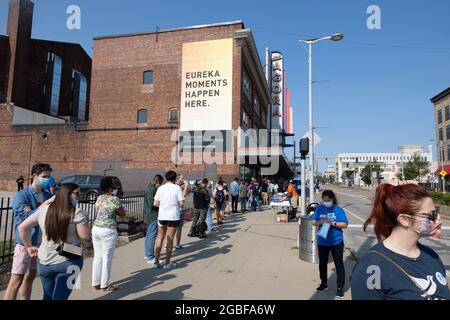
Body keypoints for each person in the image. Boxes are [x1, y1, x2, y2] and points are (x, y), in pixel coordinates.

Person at [351, 184, 450, 300]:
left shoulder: (431, 256)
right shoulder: (371, 266)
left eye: (437, 212)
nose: (438, 219)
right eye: (431, 215)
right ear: (404, 220)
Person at [17, 183, 91, 300]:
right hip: (70, 261)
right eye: (77, 193)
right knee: (61, 297)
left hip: (44, 263)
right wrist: (84, 221)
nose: (79, 196)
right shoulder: (76, 212)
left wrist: (29, 247)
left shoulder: (44, 210)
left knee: (47, 296)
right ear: (67, 195)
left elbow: (22, 228)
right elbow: (86, 236)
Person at [4, 163, 53, 300]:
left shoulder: (48, 195)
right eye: (44, 176)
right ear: (34, 176)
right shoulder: (22, 195)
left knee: (30, 276)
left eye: (49, 177)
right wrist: (43, 207)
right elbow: (23, 218)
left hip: (40, 242)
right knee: (16, 279)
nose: (47, 180)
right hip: (25, 243)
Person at [312, 190, 349, 299]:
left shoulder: (338, 210)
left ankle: (340, 288)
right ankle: (323, 283)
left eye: (328, 200)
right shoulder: (319, 208)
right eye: (324, 200)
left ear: (332, 199)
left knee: (339, 264)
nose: (326, 202)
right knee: (322, 263)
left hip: (336, 241)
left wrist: (333, 223)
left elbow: (345, 224)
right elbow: (313, 222)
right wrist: (321, 222)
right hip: (323, 241)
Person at [91, 176, 126, 292]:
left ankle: (95, 283)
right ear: (111, 188)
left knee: (97, 257)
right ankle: (105, 285)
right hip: (108, 230)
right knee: (107, 258)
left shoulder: (99, 198)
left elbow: (97, 212)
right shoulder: (114, 199)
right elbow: (122, 214)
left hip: (96, 228)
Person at [152, 170, 185, 269]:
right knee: (170, 239)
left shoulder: (160, 188)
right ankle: (167, 263)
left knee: (160, 237)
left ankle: (156, 262)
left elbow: (155, 203)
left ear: (166, 178)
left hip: (162, 215)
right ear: (175, 178)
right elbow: (182, 203)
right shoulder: (177, 188)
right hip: (173, 216)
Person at [143, 174, 163, 264]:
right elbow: (152, 204)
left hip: (149, 215)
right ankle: (150, 256)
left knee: (149, 235)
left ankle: (148, 253)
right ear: (157, 181)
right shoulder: (151, 190)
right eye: (160, 183)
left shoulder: (150, 187)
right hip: (152, 215)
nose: (160, 185)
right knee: (152, 236)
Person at [174, 174, 189, 250]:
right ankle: (177, 244)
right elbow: (183, 196)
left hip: (173, 210)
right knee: (179, 228)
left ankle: (167, 243)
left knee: (171, 228)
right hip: (179, 210)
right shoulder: (178, 187)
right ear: (178, 179)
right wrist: (186, 186)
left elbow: (186, 193)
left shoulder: (175, 186)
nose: (183, 179)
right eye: (182, 178)